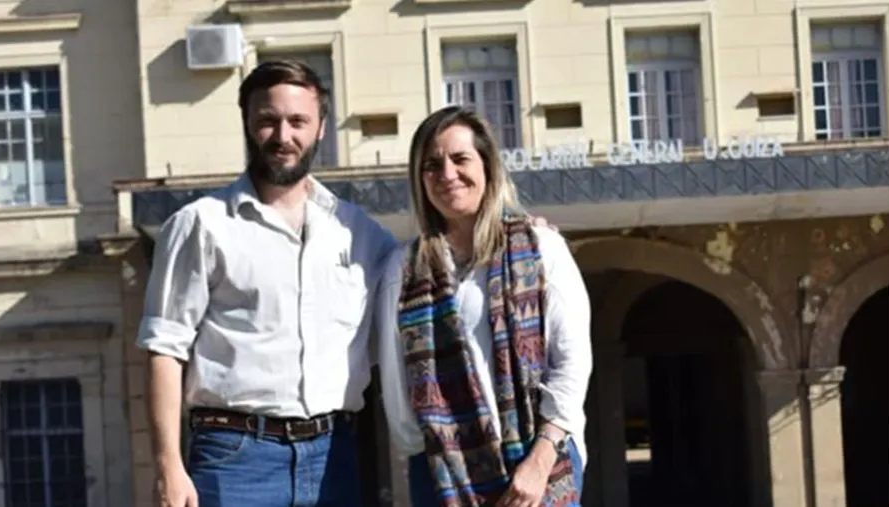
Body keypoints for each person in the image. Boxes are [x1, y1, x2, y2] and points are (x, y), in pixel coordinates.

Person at [137, 61, 554, 507]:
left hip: (334, 456)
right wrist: (168, 465)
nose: (283, 136)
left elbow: (438, 267)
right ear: (247, 124)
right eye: (267, 121)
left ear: (320, 130)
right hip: (235, 457)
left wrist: (517, 234)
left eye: (298, 121)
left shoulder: (361, 235)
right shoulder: (201, 225)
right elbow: (165, 348)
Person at [375, 106, 593, 507]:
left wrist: (540, 458)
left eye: (460, 159)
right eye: (432, 165)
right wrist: (434, 453)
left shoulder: (542, 248)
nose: (447, 174)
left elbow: (572, 362)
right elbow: (395, 378)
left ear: (488, 166)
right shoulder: (403, 268)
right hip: (445, 474)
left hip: (539, 461)